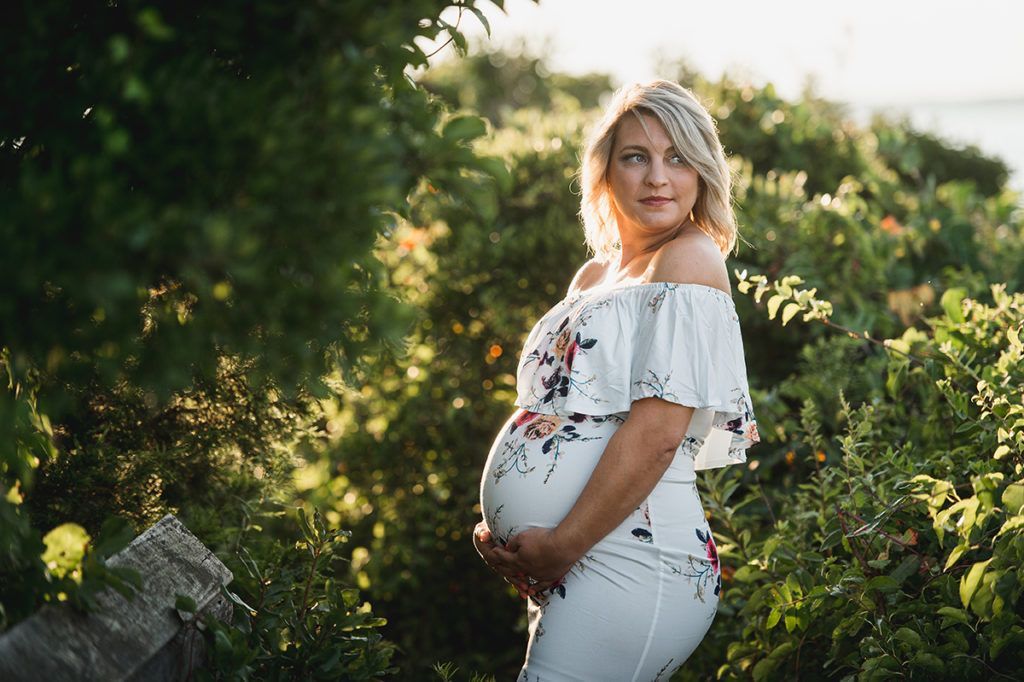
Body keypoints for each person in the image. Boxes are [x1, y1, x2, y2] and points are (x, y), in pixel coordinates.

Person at [473, 79, 761, 681]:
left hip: (636, 559)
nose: (659, 177)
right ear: (605, 172)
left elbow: (658, 433)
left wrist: (560, 544)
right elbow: (557, 410)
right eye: (637, 157)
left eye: (678, 157)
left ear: (703, 173)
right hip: (575, 555)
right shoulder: (595, 274)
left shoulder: (689, 258)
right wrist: (513, 528)